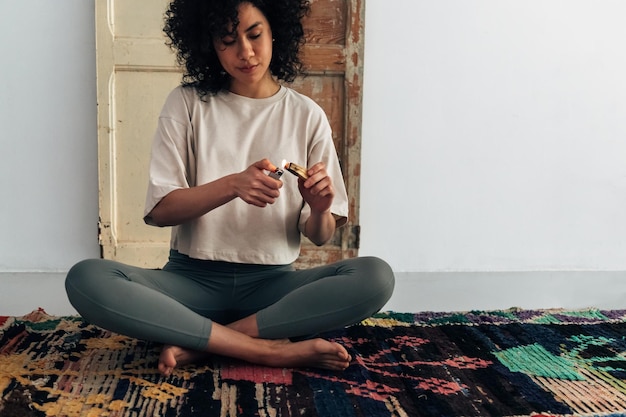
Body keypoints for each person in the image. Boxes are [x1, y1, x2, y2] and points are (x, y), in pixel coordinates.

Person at [65, 0, 395, 377]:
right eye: (227, 41)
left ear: (275, 31)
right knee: (86, 278)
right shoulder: (187, 103)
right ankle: (271, 351)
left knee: (376, 276)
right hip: (190, 285)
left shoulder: (306, 114)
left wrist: (319, 209)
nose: (246, 52)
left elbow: (319, 237)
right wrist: (232, 185)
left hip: (273, 290)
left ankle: (206, 343)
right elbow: (160, 211)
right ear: (208, 46)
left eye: (255, 35)